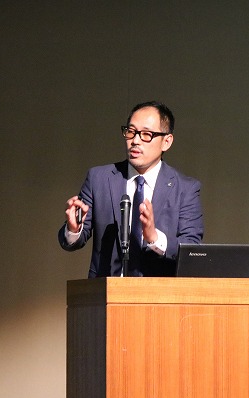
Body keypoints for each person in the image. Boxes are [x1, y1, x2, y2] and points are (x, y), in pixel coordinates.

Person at [58, 101, 204, 277]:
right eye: (131, 132)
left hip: (160, 292)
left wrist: (154, 238)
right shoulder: (99, 179)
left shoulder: (185, 188)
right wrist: (74, 229)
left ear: (166, 142)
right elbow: (72, 241)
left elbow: (192, 250)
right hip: (106, 290)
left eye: (146, 134)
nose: (135, 141)